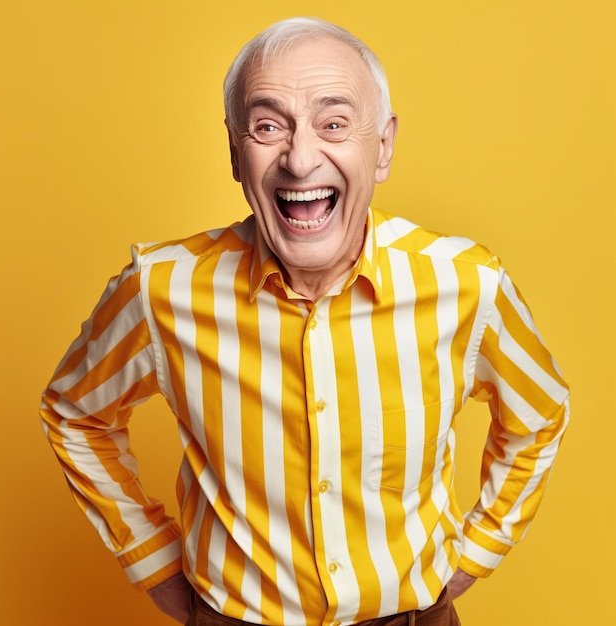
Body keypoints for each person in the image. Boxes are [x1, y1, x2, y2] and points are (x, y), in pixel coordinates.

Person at [40, 17, 569, 626]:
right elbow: (74, 412)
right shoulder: (161, 288)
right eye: (268, 126)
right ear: (236, 153)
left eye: (334, 123)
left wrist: (476, 554)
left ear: (385, 147)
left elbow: (540, 413)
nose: (299, 157)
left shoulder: (467, 284)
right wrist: (153, 562)